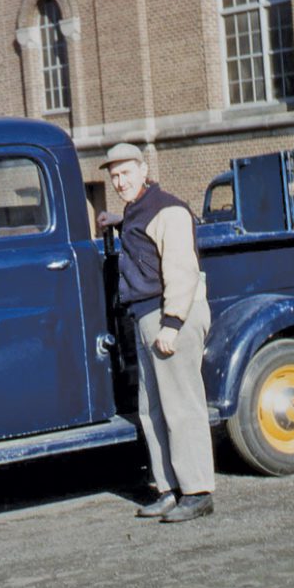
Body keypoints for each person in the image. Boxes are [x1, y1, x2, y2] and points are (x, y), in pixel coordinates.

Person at [98, 143, 215, 523]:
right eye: (114, 176)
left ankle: (197, 492)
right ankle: (168, 489)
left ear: (144, 169)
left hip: (169, 316)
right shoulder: (138, 210)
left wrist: (173, 324)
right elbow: (143, 238)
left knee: (182, 406)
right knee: (153, 409)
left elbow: (181, 268)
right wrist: (116, 221)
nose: (119, 182)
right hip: (147, 317)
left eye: (126, 173)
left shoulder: (169, 209)